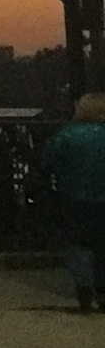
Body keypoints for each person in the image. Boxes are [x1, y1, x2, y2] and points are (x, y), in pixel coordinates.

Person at [46, 93, 105, 313]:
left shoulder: (64, 135)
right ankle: (103, 290)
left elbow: (48, 163)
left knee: (79, 243)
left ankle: (84, 287)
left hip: (73, 198)